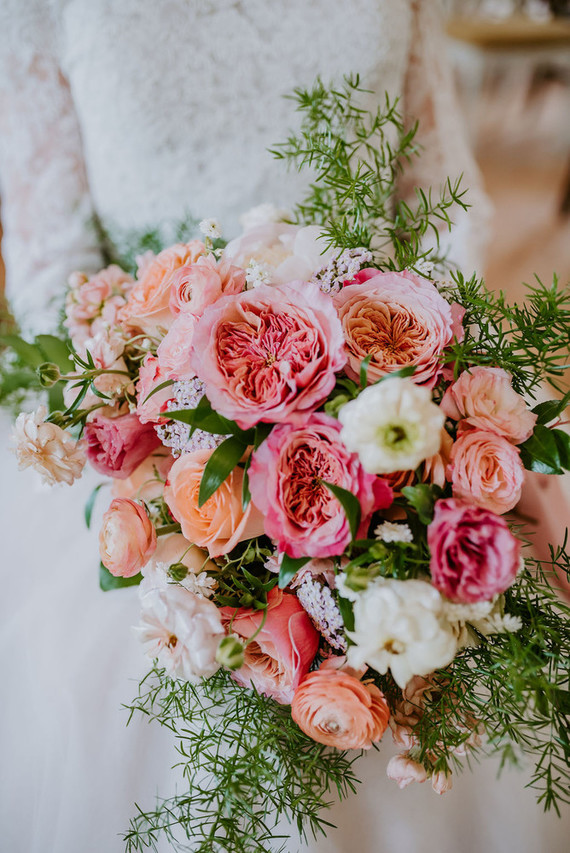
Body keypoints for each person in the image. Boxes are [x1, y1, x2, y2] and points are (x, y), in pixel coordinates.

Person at [0, 2, 567, 852]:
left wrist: (417, 375)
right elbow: (53, 269)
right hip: (154, 428)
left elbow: (442, 204)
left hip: (394, 389)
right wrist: (167, 432)